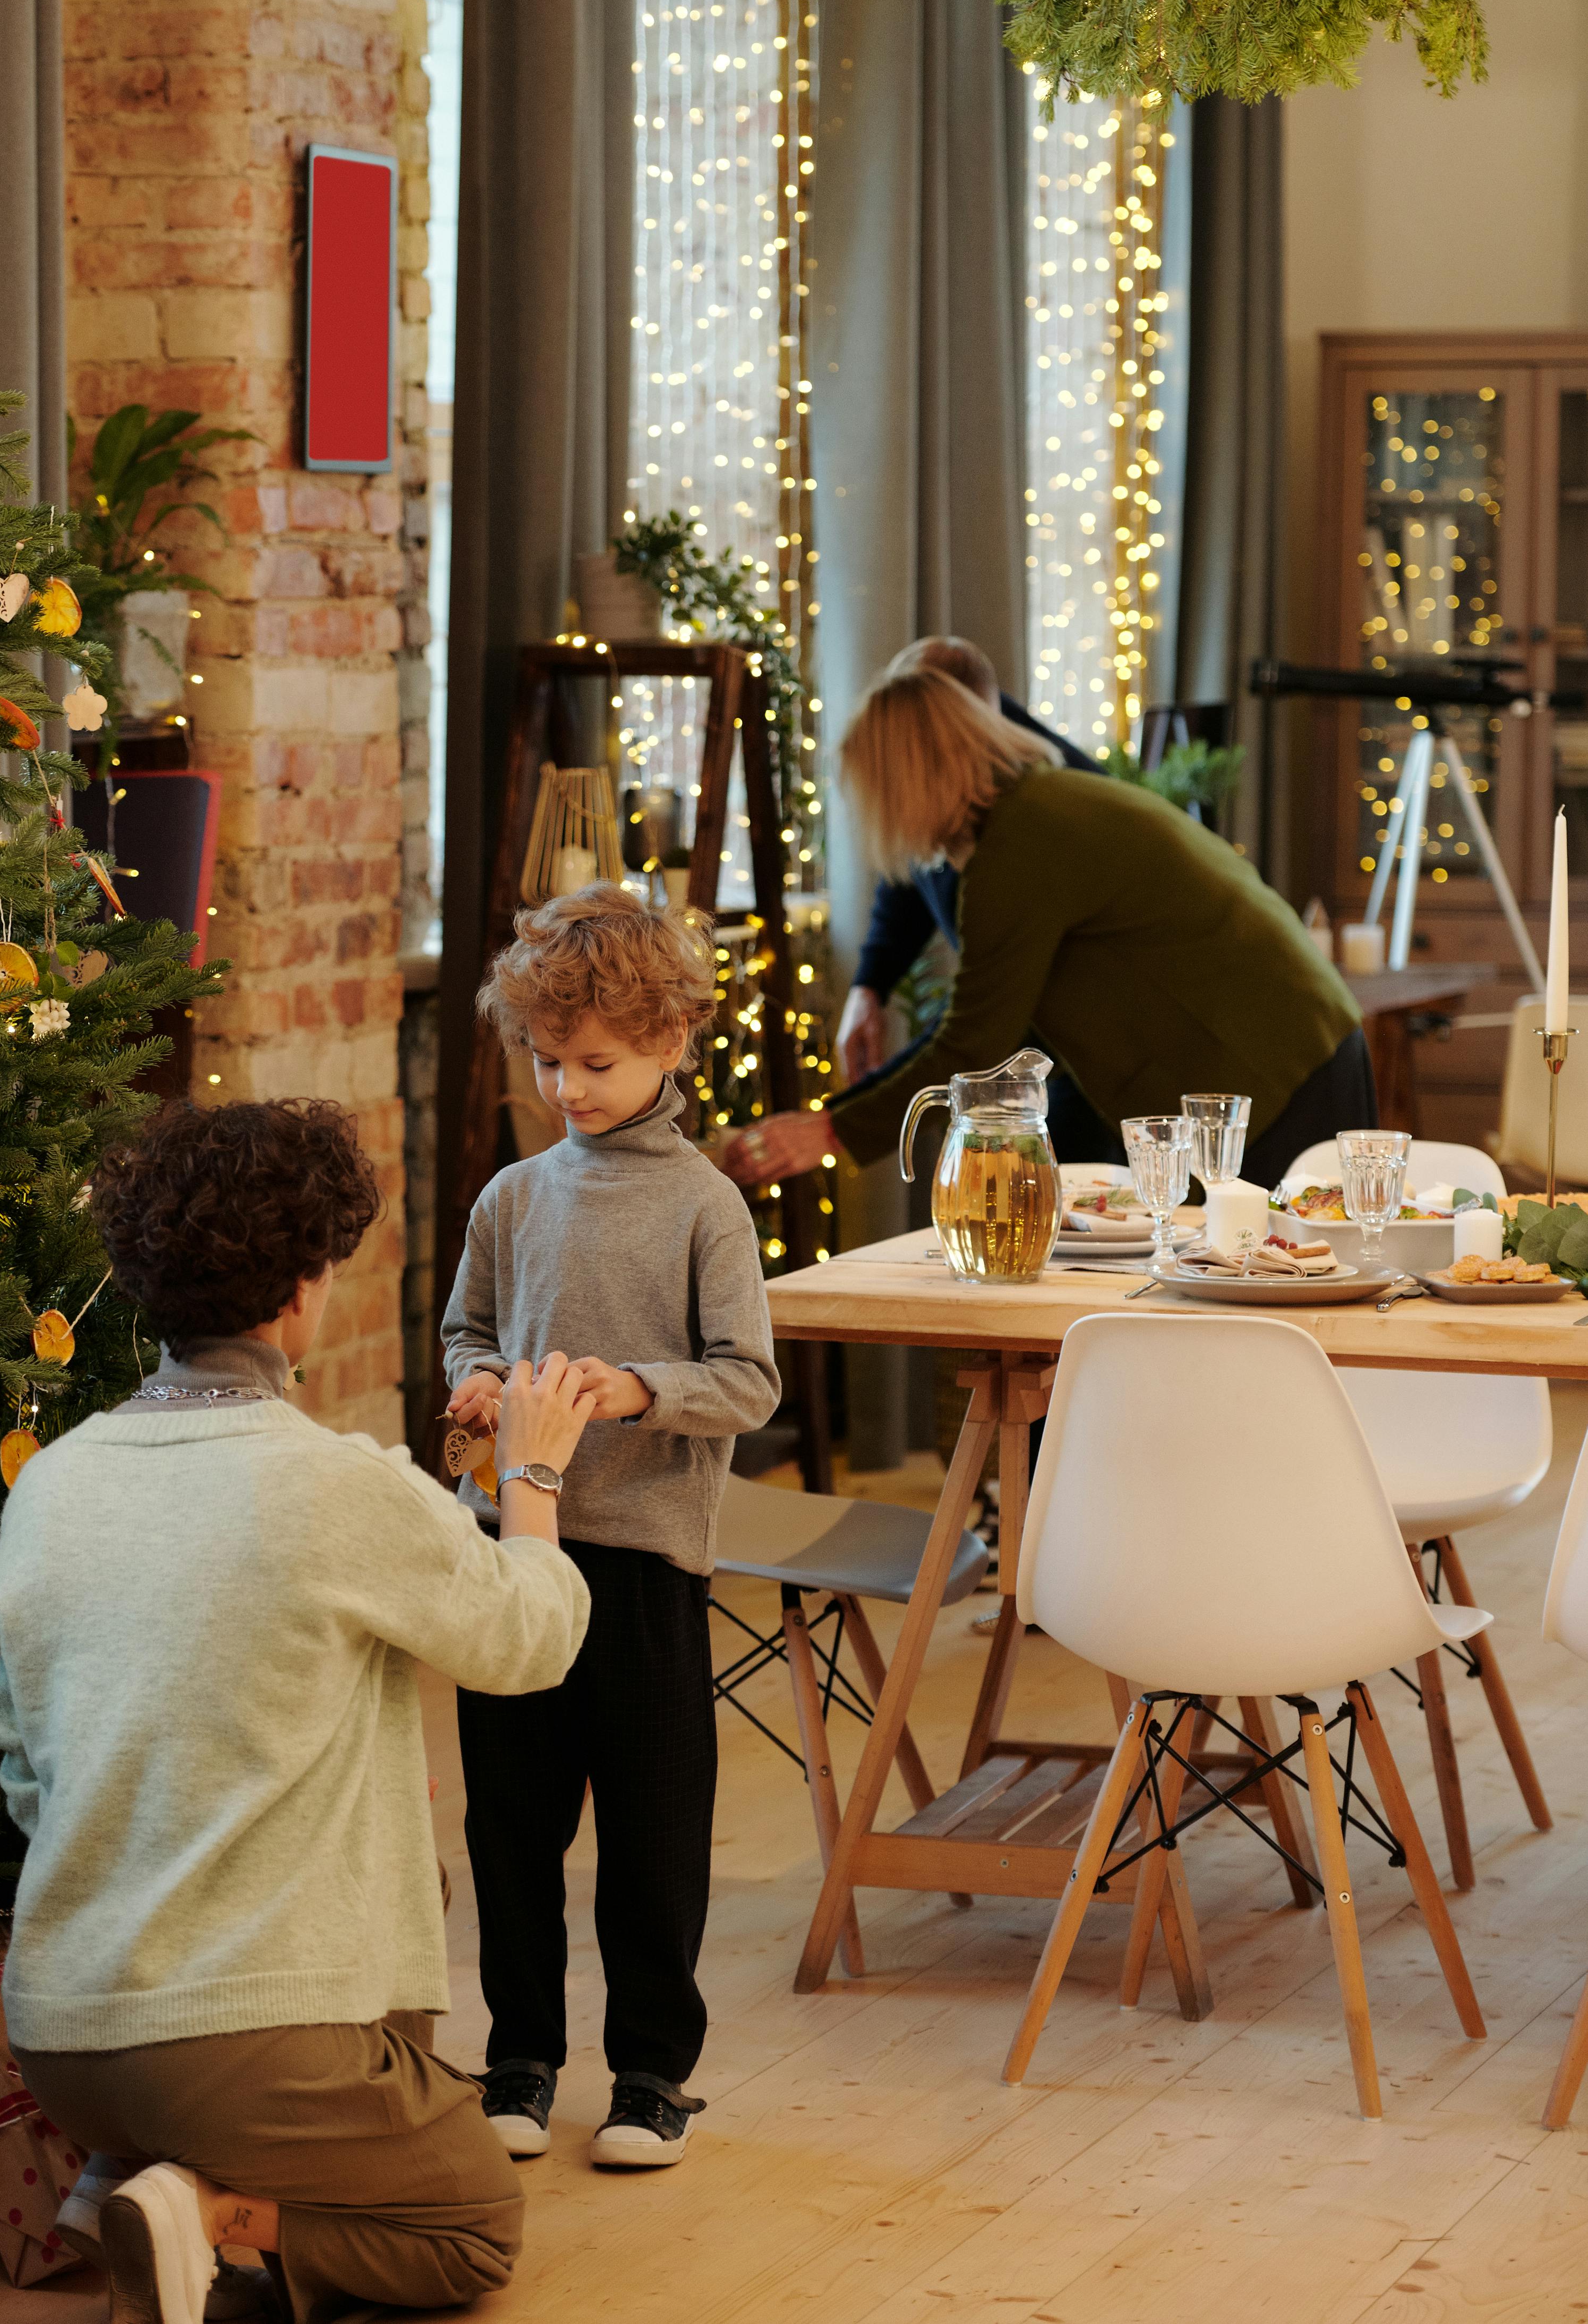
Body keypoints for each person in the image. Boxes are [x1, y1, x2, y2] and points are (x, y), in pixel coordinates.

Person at [0, 1097, 599, 2324]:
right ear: (304, 1289)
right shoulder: (335, 1484)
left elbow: (22, 1761)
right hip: (253, 2042)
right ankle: (208, 2219)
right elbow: (532, 1637)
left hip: (60, 2026)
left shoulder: (55, 1485)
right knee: (468, 2229)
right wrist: (533, 1467)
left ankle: (130, 2178)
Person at [441, 887, 779, 2175]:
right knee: (511, 1821)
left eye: (598, 1062)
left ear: (673, 1041)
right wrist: (478, 1378)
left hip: (644, 1561)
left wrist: (635, 1389)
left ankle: (651, 2072)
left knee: (652, 1825)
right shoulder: (513, 1198)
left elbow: (747, 1380)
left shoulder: (706, 1208)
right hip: (511, 1553)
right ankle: (520, 2053)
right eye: (546, 1060)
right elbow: (469, 1328)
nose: (568, 1088)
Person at [723, 661, 1372, 1195]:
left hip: (1275, 1065)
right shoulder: (1038, 811)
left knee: (1273, 1299)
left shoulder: (1021, 844)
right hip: (1288, 1052)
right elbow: (1005, 1028)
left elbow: (973, 1043)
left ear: (909, 780)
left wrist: (828, 1131)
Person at [835, 636, 1101, 1091]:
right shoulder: (963, 776)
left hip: (1091, 1042)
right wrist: (870, 986)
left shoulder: (1034, 815)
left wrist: (836, 1126)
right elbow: (913, 865)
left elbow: (981, 1023)